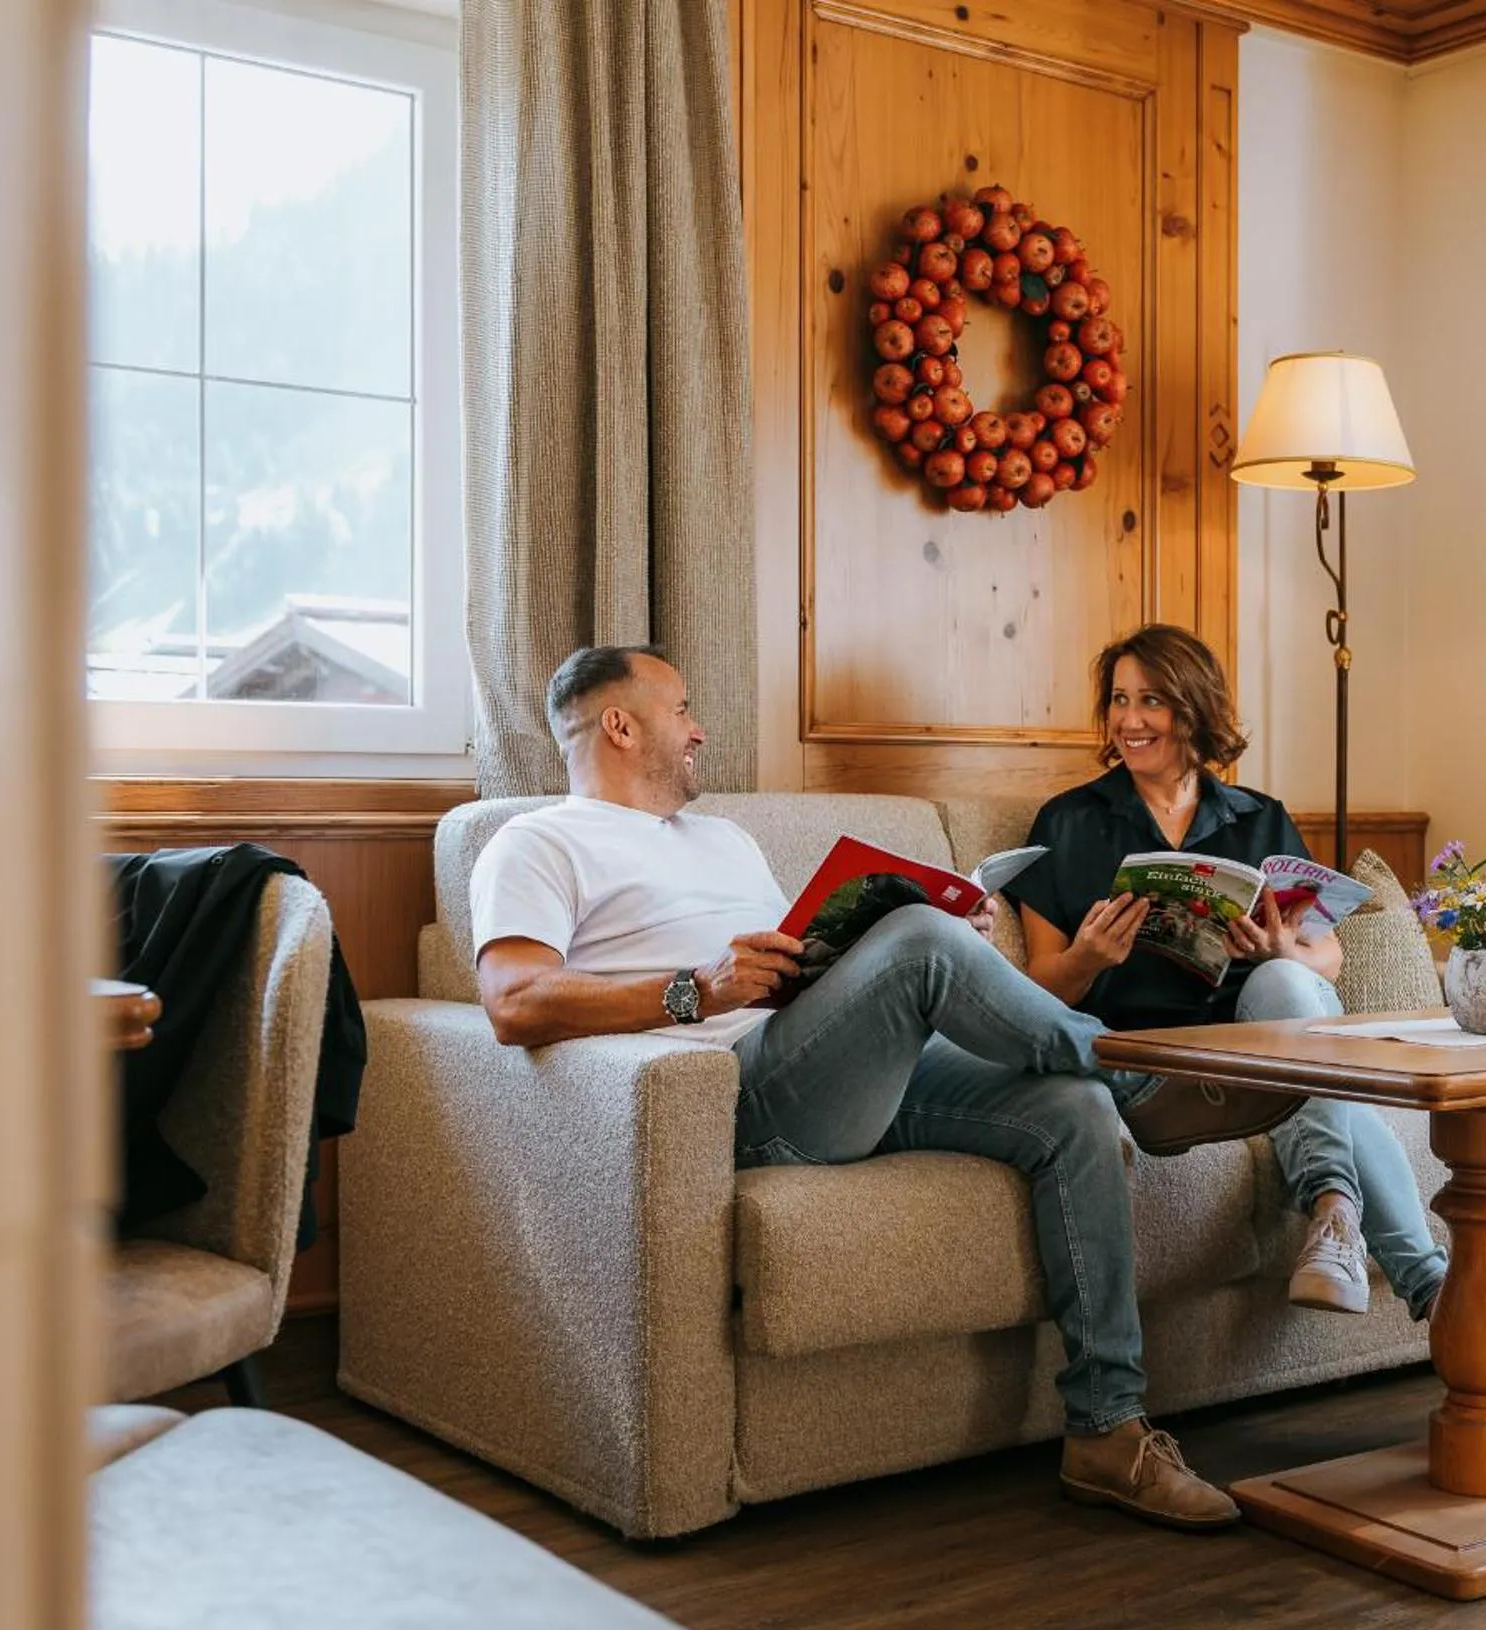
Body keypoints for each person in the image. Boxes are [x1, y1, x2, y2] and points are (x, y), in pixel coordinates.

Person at [468, 644, 1253, 1531]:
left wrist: (931, 937)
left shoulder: (723, 838)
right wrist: (696, 989)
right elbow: (513, 1002)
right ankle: (1142, 1080)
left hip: (832, 1070)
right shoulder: (537, 841)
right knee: (922, 945)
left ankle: (1107, 1429)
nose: (699, 729)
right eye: (681, 709)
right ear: (619, 723)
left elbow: (803, 977)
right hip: (731, 1097)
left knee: (1068, 1108)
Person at [1006, 626, 1486, 1372]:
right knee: (1333, 1083)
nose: (1129, 719)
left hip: (1259, 1048)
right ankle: (1432, 1285)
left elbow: (1326, 954)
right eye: (1119, 700)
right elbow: (1035, 988)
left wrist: (1281, 949)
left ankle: (1343, 1220)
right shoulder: (1067, 823)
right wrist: (1087, 959)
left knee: (1286, 984)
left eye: (1152, 700)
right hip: (1150, 1066)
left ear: (1194, 709)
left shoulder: (1259, 817)